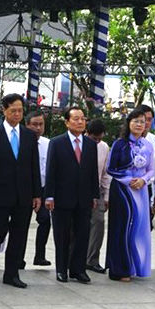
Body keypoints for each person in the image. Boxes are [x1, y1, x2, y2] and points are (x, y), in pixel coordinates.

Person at [0, 94, 41, 288]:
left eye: (20, 111)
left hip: (23, 195)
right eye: (13, 110)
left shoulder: (29, 135)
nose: (17, 114)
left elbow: (34, 166)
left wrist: (37, 194)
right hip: (0, 193)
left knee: (19, 235)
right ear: (4, 110)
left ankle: (11, 274)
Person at [44, 106, 99, 284]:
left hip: (84, 198)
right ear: (67, 122)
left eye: (83, 119)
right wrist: (49, 196)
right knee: (62, 235)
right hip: (62, 197)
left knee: (82, 234)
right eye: (76, 119)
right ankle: (61, 269)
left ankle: (78, 270)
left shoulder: (90, 144)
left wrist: (95, 195)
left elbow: (93, 172)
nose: (80, 122)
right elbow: (51, 170)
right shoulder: (57, 143)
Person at [105, 108, 155, 281]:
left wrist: (143, 180)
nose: (139, 124)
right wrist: (129, 180)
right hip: (122, 190)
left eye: (142, 121)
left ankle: (136, 267)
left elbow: (151, 170)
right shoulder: (119, 144)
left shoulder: (148, 145)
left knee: (138, 228)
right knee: (121, 228)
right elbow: (111, 168)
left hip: (140, 191)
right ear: (129, 123)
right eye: (136, 121)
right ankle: (119, 270)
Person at [25, 111, 51, 267]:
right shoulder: (21, 142)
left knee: (45, 220)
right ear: (27, 125)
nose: (38, 128)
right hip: (25, 189)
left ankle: (40, 256)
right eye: (34, 124)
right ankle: (18, 258)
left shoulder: (48, 144)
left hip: (42, 188)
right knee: (21, 224)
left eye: (41, 124)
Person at [85, 119, 111, 274]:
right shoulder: (80, 145)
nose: (97, 142)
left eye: (100, 139)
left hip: (98, 190)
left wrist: (106, 195)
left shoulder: (104, 147)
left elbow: (106, 173)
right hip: (81, 190)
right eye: (94, 138)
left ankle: (92, 260)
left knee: (99, 223)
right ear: (87, 134)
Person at [140, 105, 155, 229]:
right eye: (144, 119)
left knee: (146, 227)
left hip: (147, 189)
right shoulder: (125, 141)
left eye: (149, 119)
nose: (146, 123)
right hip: (131, 188)